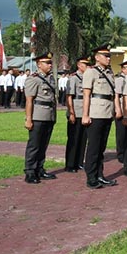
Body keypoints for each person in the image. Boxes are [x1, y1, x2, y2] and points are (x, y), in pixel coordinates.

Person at [82, 44, 120, 189]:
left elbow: (113, 94)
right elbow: (86, 95)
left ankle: (99, 175)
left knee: (101, 147)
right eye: (106, 55)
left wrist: (116, 109)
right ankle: (91, 177)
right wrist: (85, 115)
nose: (108, 58)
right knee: (93, 147)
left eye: (109, 55)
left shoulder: (110, 73)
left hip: (107, 112)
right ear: (97, 57)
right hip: (96, 112)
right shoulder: (90, 72)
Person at [23, 53, 58, 184]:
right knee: (34, 145)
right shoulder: (33, 79)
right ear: (39, 64)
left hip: (49, 115)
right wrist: (28, 119)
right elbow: (29, 101)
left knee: (43, 144)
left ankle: (39, 168)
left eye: (50, 63)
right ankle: (30, 171)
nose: (50, 65)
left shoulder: (51, 79)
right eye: (47, 63)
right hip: (37, 115)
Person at [65, 56, 91, 172]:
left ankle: (79, 162)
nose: (88, 67)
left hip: (85, 112)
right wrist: (71, 113)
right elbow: (69, 97)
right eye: (86, 64)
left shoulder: (88, 78)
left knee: (83, 139)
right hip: (76, 110)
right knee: (73, 139)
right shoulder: (73, 79)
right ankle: (70, 164)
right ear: (79, 65)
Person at [114, 59, 127, 163]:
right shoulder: (119, 80)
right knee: (121, 133)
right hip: (121, 107)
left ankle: (126, 152)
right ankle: (120, 153)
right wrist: (118, 109)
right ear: (123, 69)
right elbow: (116, 95)